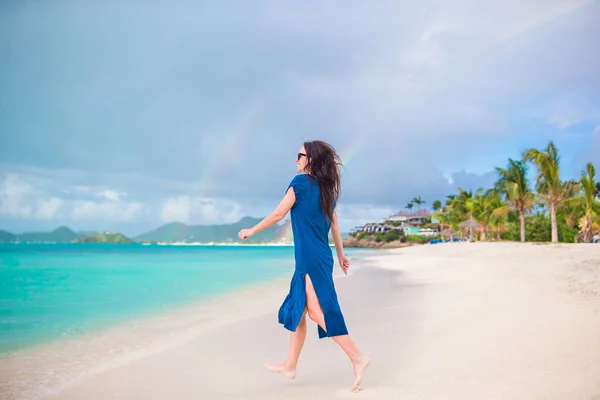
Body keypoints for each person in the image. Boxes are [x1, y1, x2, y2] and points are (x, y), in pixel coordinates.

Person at [238, 140, 370, 392]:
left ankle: (358, 357)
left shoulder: (299, 183)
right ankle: (290, 364)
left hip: (310, 257)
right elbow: (335, 226)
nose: (295, 160)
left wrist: (251, 230)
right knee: (298, 309)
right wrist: (341, 255)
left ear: (311, 160)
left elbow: (278, 215)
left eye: (299, 155)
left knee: (316, 312)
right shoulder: (327, 190)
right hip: (320, 256)